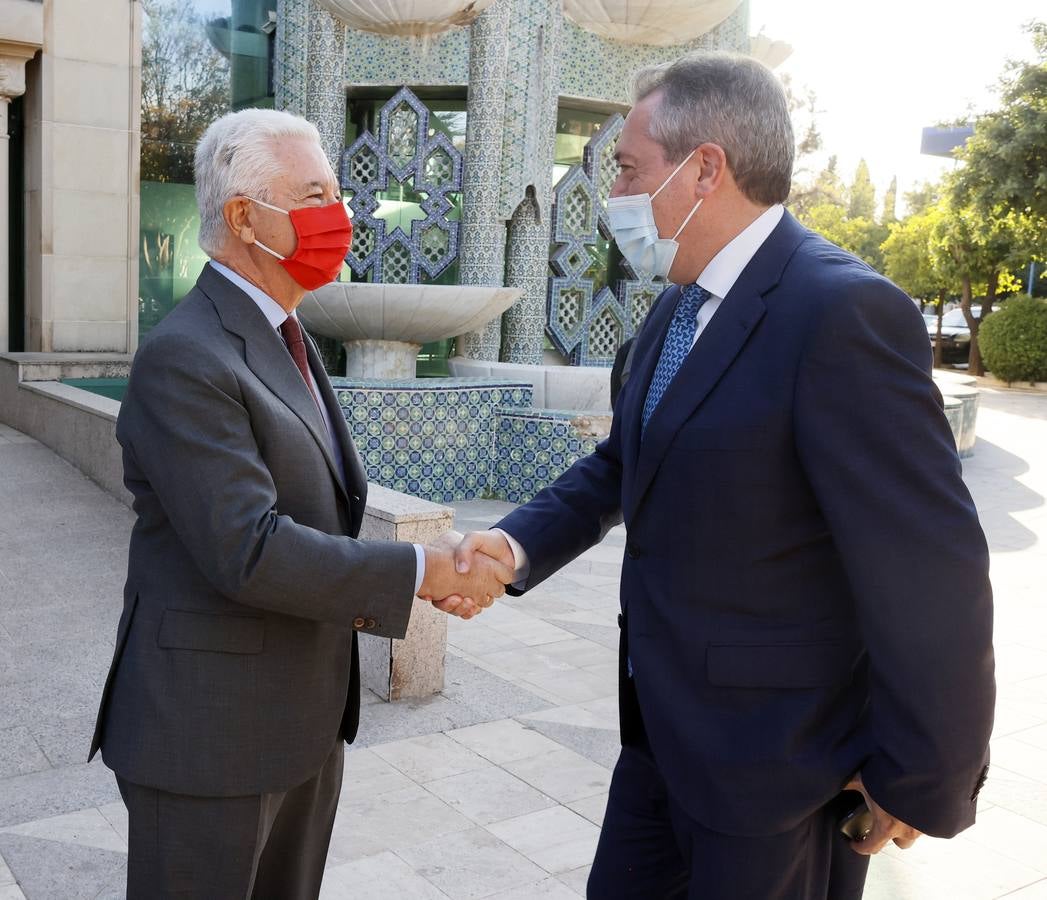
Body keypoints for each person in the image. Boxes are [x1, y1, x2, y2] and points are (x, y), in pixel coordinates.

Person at [453, 52, 995, 899]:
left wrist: (921, 774)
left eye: (627, 169)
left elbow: (930, 572)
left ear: (704, 169)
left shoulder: (840, 313)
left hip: (779, 771)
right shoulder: (674, 309)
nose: (614, 195)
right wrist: (513, 545)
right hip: (659, 744)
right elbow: (620, 466)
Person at [89, 108, 509, 899]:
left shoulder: (287, 332)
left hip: (300, 724)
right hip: (208, 740)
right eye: (315, 194)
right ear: (246, 217)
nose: (338, 216)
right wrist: (424, 568)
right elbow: (247, 547)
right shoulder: (186, 355)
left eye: (337, 194)